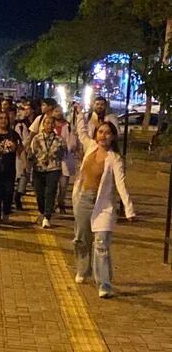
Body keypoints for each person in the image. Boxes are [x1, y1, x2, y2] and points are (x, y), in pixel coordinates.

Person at [72, 104, 136, 298]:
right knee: (81, 240)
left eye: (108, 133)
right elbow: (81, 131)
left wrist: (129, 208)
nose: (103, 135)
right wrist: (80, 113)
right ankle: (83, 269)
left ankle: (104, 283)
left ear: (113, 137)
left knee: (101, 244)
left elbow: (121, 184)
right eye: (100, 132)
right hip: (83, 199)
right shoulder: (90, 147)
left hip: (103, 205)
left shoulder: (114, 159)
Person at [27, 115, 65, 228]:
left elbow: (62, 153)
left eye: (51, 123)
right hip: (38, 168)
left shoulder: (59, 140)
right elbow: (32, 153)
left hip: (53, 169)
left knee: (50, 192)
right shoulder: (37, 138)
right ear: (43, 125)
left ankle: (47, 216)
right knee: (39, 193)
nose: (49, 125)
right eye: (47, 123)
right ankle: (42, 211)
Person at [52, 105, 77, 213]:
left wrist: (69, 147)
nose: (58, 113)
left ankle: (60, 203)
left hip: (65, 159)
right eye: (56, 111)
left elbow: (72, 141)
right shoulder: (49, 124)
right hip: (51, 160)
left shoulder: (68, 126)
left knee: (63, 185)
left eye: (60, 111)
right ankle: (50, 204)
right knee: (52, 185)